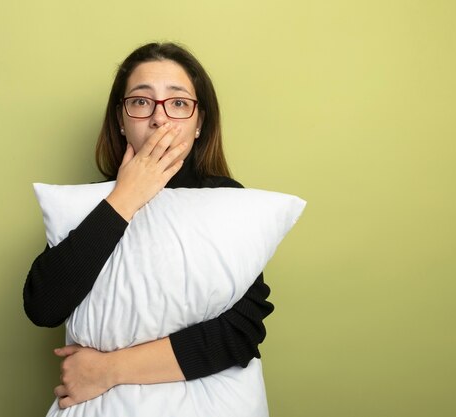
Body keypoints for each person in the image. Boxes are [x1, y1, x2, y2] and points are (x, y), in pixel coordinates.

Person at [23, 42, 274, 410]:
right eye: (141, 102)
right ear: (121, 121)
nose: (159, 118)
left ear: (200, 121)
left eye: (178, 102)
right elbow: (42, 307)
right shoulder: (91, 205)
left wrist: (110, 369)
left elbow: (242, 331)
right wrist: (125, 197)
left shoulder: (228, 200)